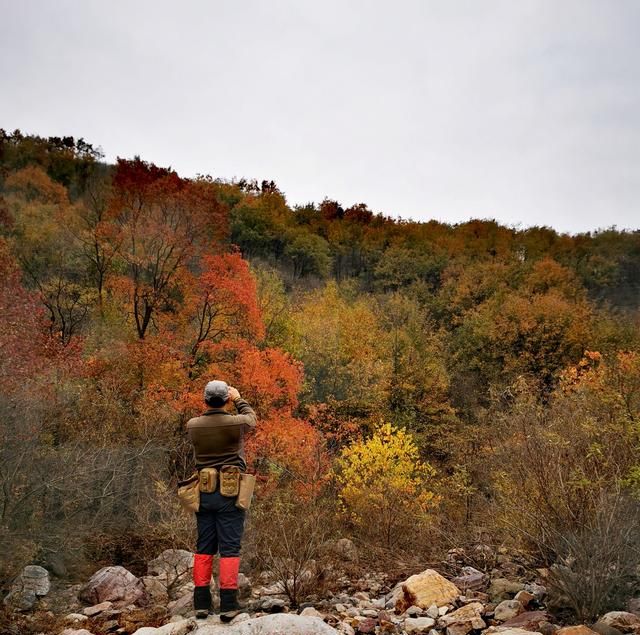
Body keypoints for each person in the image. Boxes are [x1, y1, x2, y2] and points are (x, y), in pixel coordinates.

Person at [186, 379, 257, 620]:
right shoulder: (236, 422)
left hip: (204, 494)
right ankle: (228, 605)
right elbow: (251, 419)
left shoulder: (193, 425)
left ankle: (201, 604)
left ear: (205, 400)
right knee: (229, 548)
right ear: (226, 399)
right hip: (230, 493)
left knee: (204, 547)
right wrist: (238, 398)